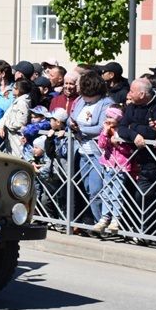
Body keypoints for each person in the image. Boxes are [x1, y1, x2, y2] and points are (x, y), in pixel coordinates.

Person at [116, 78, 156, 237]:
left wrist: (133, 127)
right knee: (131, 194)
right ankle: (133, 228)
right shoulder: (133, 106)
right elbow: (121, 128)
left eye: (132, 92)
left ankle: (148, 232)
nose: (129, 94)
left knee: (146, 196)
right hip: (134, 158)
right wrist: (134, 134)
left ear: (142, 94)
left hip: (154, 160)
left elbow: (153, 132)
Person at [69, 71, 112, 224]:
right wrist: (71, 124)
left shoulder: (105, 103)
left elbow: (101, 128)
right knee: (87, 188)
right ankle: (94, 221)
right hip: (81, 152)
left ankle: (101, 221)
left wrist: (80, 129)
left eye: (90, 96)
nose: (87, 99)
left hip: (97, 153)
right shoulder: (81, 100)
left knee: (96, 189)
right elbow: (71, 118)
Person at [93, 105, 136, 235]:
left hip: (121, 166)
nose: (108, 119)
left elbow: (128, 150)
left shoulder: (123, 131)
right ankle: (105, 217)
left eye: (111, 117)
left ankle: (116, 218)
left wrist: (117, 143)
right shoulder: (105, 129)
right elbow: (101, 144)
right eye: (107, 117)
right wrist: (105, 133)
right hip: (108, 165)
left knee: (117, 193)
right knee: (106, 192)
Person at [0, 79, 34, 159]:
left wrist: (6, 123)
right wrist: (1, 126)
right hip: (11, 139)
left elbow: (21, 123)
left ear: (19, 90)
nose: (12, 90)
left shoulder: (23, 103)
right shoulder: (17, 101)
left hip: (17, 140)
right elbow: (6, 115)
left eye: (14, 88)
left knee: (17, 160)